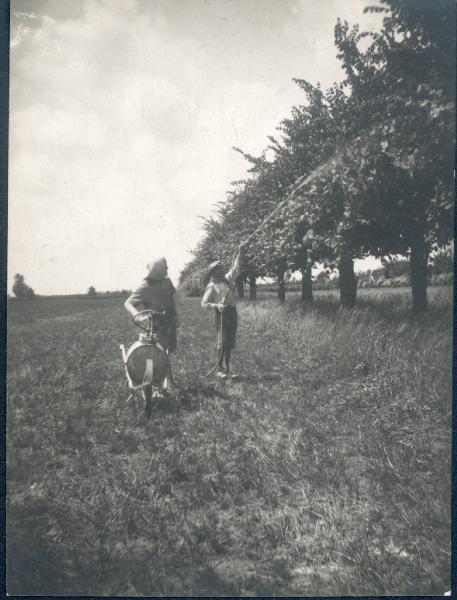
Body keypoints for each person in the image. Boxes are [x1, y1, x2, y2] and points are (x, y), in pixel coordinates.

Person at [201, 243, 246, 378]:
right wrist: (216, 306)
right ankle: (219, 369)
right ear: (213, 272)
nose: (221, 270)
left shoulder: (228, 279)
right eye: (218, 269)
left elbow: (237, 267)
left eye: (221, 268)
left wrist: (240, 252)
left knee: (230, 341)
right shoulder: (212, 285)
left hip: (232, 312)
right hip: (221, 314)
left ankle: (227, 368)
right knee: (222, 341)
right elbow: (203, 303)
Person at [124, 257, 180, 353]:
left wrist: (176, 315)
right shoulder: (145, 287)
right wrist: (138, 316)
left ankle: (166, 367)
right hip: (155, 326)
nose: (167, 269)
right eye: (165, 267)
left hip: (169, 323)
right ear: (158, 269)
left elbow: (171, 300)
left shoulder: (167, 282)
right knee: (156, 353)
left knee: (169, 350)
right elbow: (128, 303)